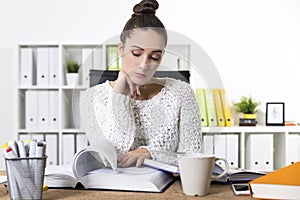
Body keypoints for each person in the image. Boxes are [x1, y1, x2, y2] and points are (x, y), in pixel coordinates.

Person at [80, 0, 202, 170]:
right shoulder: (90, 99)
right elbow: (110, 159)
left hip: (169, 189)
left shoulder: (182, 93)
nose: (144, 64)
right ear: (121, 49)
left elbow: (195, 159)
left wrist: (150, 154)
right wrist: (120, 98)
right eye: (136, 53)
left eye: (154, 57)